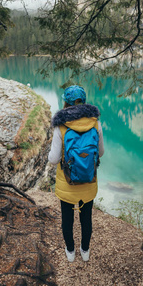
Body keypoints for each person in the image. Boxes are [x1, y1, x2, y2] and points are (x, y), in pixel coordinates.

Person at [48, 85, 104, 262]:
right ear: (84, 101)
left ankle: (70, 251)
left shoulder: (61, 127)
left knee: (67, 219)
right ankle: (85, 250)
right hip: (88, 180)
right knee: (86, 218)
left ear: (65, 102)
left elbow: (53, 159)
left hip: (67, 181)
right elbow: (100, 153)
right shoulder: (95, 123)